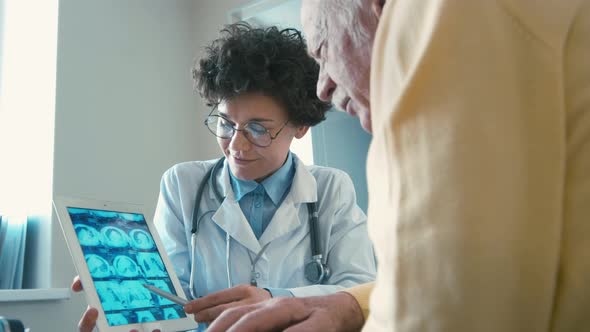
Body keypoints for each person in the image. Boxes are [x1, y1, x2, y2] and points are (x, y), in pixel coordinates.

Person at [207, 0, 590, 331]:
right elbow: (504, 274)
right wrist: (351, 305)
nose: (322, 86)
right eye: (227, 123)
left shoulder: (438, 13)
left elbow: (445, 310)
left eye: (322, 49)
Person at [72, 22, 376, 332]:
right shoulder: (182, 183)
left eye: (258, 129)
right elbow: (174, 296)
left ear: (300, 127)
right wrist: (128, 296)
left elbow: (360, 290)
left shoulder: (330, 189)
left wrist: (274, 299)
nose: (236, 145)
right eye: (226, 123)